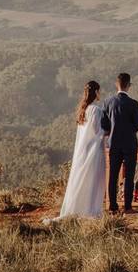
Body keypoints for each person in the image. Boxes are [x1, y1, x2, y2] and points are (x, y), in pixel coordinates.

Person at [43, 80, 107, 223]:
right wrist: (108, 131)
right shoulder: (96, 110)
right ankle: (90, 209)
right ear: (96, 92)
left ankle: (79, 208)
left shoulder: (83, 110)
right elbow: (98, 131)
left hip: (82, 150)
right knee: (93, 180)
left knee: (81, 178)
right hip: (94, 151)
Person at [103, 72, 138, 214]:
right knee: (129, 175)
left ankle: (112, 207)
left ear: (116, 84)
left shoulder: (108, 102)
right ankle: (127, 207)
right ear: (129, 85)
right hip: (130, 143)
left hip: (113, 143)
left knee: (113, 175)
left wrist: (113, 130)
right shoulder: (133, 104)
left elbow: (104, 124)